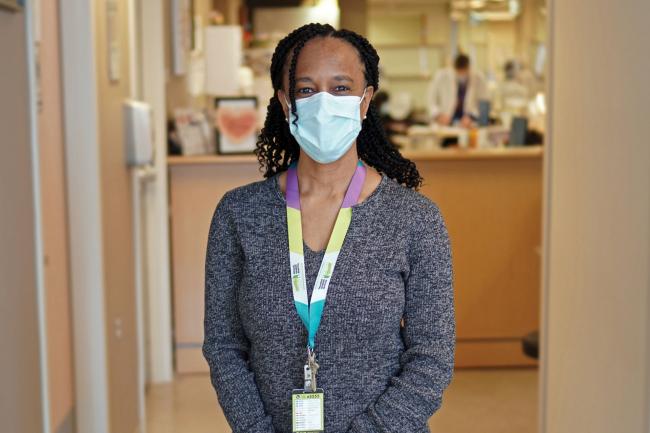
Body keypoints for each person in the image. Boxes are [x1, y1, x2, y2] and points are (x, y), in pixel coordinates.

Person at [202, 23, 455, 433]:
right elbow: (224, 346)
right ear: (286, 103)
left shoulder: (415, 220)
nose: (324, 102)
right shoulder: (238, 214)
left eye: (340, 88)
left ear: (365, 100)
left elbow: (432, 359)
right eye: (306, 90)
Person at [427, 53, 488, 128]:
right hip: (444, 123)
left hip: (468, 125)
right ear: (454, 68)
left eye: (464, 71)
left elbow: (483, 102)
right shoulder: (441, 76)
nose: (461, 74)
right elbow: (431, 100)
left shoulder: (478, 78)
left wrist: (471, 116)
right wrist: (438, 115)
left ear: (468, 67)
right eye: (459, 71)